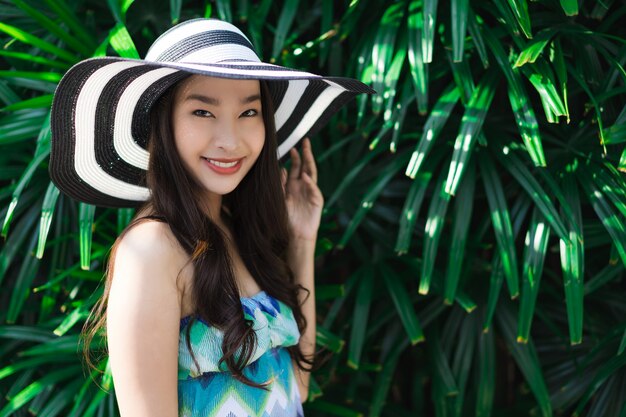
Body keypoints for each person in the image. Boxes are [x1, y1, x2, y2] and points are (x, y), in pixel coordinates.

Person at [49, 18, 373, 416]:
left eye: (249, 112)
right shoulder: (151, 251)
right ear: (161, 123)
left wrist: (302, 240)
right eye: (203, 111)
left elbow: (298, 387)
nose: (231, 140)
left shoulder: (238, 232)